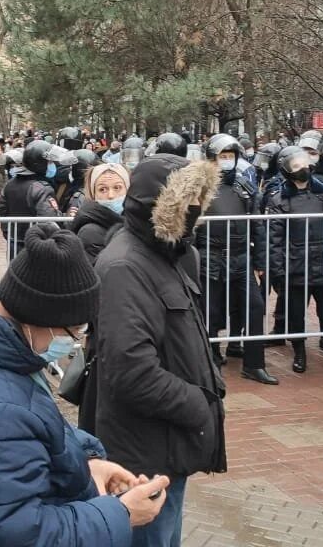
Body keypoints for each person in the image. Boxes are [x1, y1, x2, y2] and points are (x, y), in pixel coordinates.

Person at [0, 224, 169, 546]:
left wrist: (87, 463)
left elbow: (31, 430)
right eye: (75, 330)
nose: (74, 341)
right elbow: (16, 533)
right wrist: (119, 514)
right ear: (38, 318)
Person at [94, 154, 227, 546]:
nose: (192, 210)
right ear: (160, 205)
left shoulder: (168, 254)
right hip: (144, 452)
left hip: (166, 445)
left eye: (197, 200)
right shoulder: (125, 266)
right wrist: (198, 403)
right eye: (184, 201)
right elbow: (131, 370)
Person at [264, 146, 323, 379]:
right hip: (296, 266)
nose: (302, 168)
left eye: (304, 163)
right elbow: (273, 239)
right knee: (296, 314)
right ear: (286, 170)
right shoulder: (280, 199)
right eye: (296, 166)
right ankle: (299, 353)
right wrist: (277, 270)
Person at [196, 134, 278, 385]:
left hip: (241, 257)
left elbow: (257, 227)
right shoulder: (199, 187)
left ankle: (254, 364)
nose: (227, 161)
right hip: (210, 256)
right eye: (222, 157)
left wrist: (261, 262)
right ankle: (209, 359)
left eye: (230, 157)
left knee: (255, 306)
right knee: (210, 311)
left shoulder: (244, 187)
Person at [0, 140, 73, 257]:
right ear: (39, 164)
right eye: (49, 162)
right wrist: (68, 218)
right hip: (35, 245)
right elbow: (50, 220)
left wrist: (9, 234)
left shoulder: (10, 184)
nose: (51, 165)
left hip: (14, 242)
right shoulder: (42, 188)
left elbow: (0, 209)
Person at [72, 163, 130, 264]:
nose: (111, 195)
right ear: (93, 194)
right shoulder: (90, 232)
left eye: (117, 188)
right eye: (102, 189)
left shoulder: (132, 222)